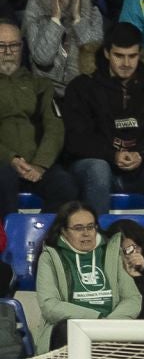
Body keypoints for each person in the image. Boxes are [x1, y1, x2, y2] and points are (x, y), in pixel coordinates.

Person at [64, 23, 144, 229]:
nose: (126, 63)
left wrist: (141, 155)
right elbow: (76, 139)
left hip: (140, 166)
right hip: (97, 166)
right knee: (98, 169)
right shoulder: (82, 87)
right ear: (106, 53)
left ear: (140, 54)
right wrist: (112, 155)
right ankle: (98, 245)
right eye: (119, 55)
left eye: (132, 56)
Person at [32, 202, 137, 350]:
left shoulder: (112, 251)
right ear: (63, 231)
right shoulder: (50, 256)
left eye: (90, 227)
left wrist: (111, 324)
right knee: (67, 330)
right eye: (78, 228)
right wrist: (97, 319)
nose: (86, 233)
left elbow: (132, 298)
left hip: (113, 326)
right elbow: (50, 305)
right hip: (74, 328)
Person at [0, 20, 77, 216]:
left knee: (65, 185)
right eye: (1, 46)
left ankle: (43, 240)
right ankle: (9, 241)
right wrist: (11, 159)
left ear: (22, 47)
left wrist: (40, 165)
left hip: (37, 164)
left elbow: (55, 127)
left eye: (14, 45)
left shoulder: (40, 84)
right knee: (4, 178)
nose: (8, 52)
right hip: (3, 164)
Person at [23, 0, 100, 96]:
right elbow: (42, 59)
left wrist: (78, 19)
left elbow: (93, 56)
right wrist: (55, 18)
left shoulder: (89, 5)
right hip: (45, 88)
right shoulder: (35, 4)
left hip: (81, 89)